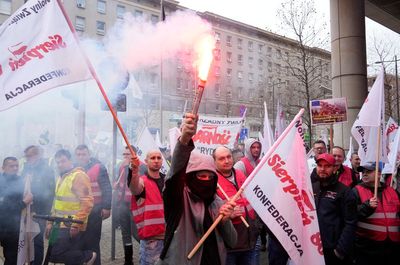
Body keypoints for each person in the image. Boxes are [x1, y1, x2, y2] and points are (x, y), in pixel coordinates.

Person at [159, 113, 237, 265]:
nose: (206, 181)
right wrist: (185, 140)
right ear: (190, 177)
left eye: (211, 178)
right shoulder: (179, 199)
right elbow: (175, 175)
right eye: (201, 177)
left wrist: (225, 221)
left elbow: (232, 242)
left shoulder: (217, 202)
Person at [45, 149, 96, 265]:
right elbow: (56, 203)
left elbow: (87, 202)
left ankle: (88, 256)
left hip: (70, 225)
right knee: (51, 255)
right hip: (57, 224)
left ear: (70, 160)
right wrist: (49, 222)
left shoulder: (78, 176)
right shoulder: (61, 177)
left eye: (63, 161)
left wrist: (76, 224)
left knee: (56, 254)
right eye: (57, 162)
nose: (60, 164)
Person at [213, 146, 259, 265]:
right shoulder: (212, 181)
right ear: (214, 161)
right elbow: (209, 213)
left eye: (228, 157)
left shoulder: (240, 174)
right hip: (230, 245)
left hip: (250, 239)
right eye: (222, 158)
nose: (227, 161)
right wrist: (228, 215)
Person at [312, 153, 357, 265]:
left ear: (335, 168)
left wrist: (340, 250)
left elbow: (351, 223)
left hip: (332, 251)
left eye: (327, 166)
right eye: (320, 165)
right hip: (312, 248)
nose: (322, 169)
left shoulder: (345, 192)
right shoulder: (312, 187)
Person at [352, 162, 400, 265]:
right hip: (367, 247)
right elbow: (350, 214)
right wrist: (366, 207)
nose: (364, 174)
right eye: (363, 172)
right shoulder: (356, 191)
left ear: (378, 174)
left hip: (392, 247)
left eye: (368, 171)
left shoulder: (392, 191)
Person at [75, 144, 112, 265]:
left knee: (92, 242)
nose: (81, 157)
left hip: (94, 212)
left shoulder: (98, 167)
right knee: (78, 242)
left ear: (89, 154)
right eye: (78, 154)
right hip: (78, 212)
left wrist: (107, 207)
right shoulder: (73, 169)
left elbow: (106, 188)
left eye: (83, 154)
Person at [129, 149, 166, 265]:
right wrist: (134, 170)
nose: (156, 161)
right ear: (146, 161)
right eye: (152, 158)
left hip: (170, 238)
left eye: (159, 158)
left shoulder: (168, 181)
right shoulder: (142, 182)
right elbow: (134, 188)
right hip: (151, 240)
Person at [21, 145, 55, 265]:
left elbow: (49, 194)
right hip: (26, 210)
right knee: (26, 239)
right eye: (26, 157)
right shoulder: (26, 168)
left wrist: (41, 213)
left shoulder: (47, 169)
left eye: (30, 156)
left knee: (37, 241)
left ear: (37, 155)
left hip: (39, 212)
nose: (27, 159)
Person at [114, 146, 145, 265]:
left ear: (134, 154)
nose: (125, 156)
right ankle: (128, 260)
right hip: (122, 204)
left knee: (136, 233)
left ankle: (149, 252)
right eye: (124, 154)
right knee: (125, 233)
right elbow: (118, 182)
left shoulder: (141, 166)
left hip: (135, 205)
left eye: (128, 154)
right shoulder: (122, 166)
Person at [0, 157, 33, 265]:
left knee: (12, 257)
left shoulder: (20, 181)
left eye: (16, 166)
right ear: (3, 168)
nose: (15, 168)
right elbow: (4, 206)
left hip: (13, 227)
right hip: (2, 223)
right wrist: (24, 202)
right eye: (11, 166)